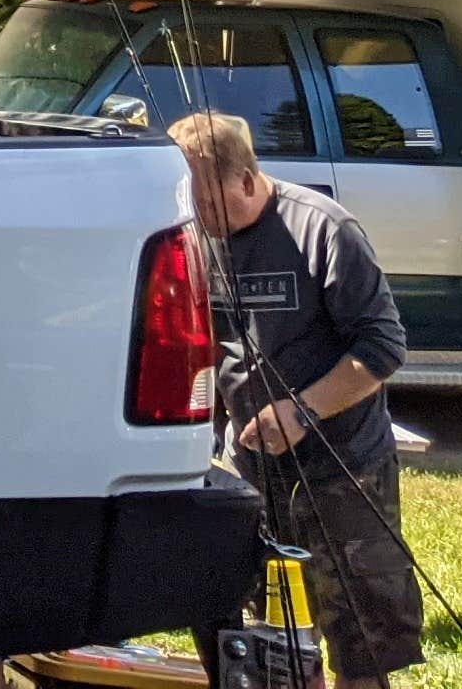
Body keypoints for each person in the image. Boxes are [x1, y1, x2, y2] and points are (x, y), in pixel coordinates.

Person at [172, 108, 427, 689]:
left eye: (210, 203)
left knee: (364, 642)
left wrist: (302, 410)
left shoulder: (323, 230)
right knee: (271, 635)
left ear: (245, 178)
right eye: (192, 205)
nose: (201, 218)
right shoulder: (195, 236)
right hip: (255, 473)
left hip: (344, 470)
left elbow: (384, 348)